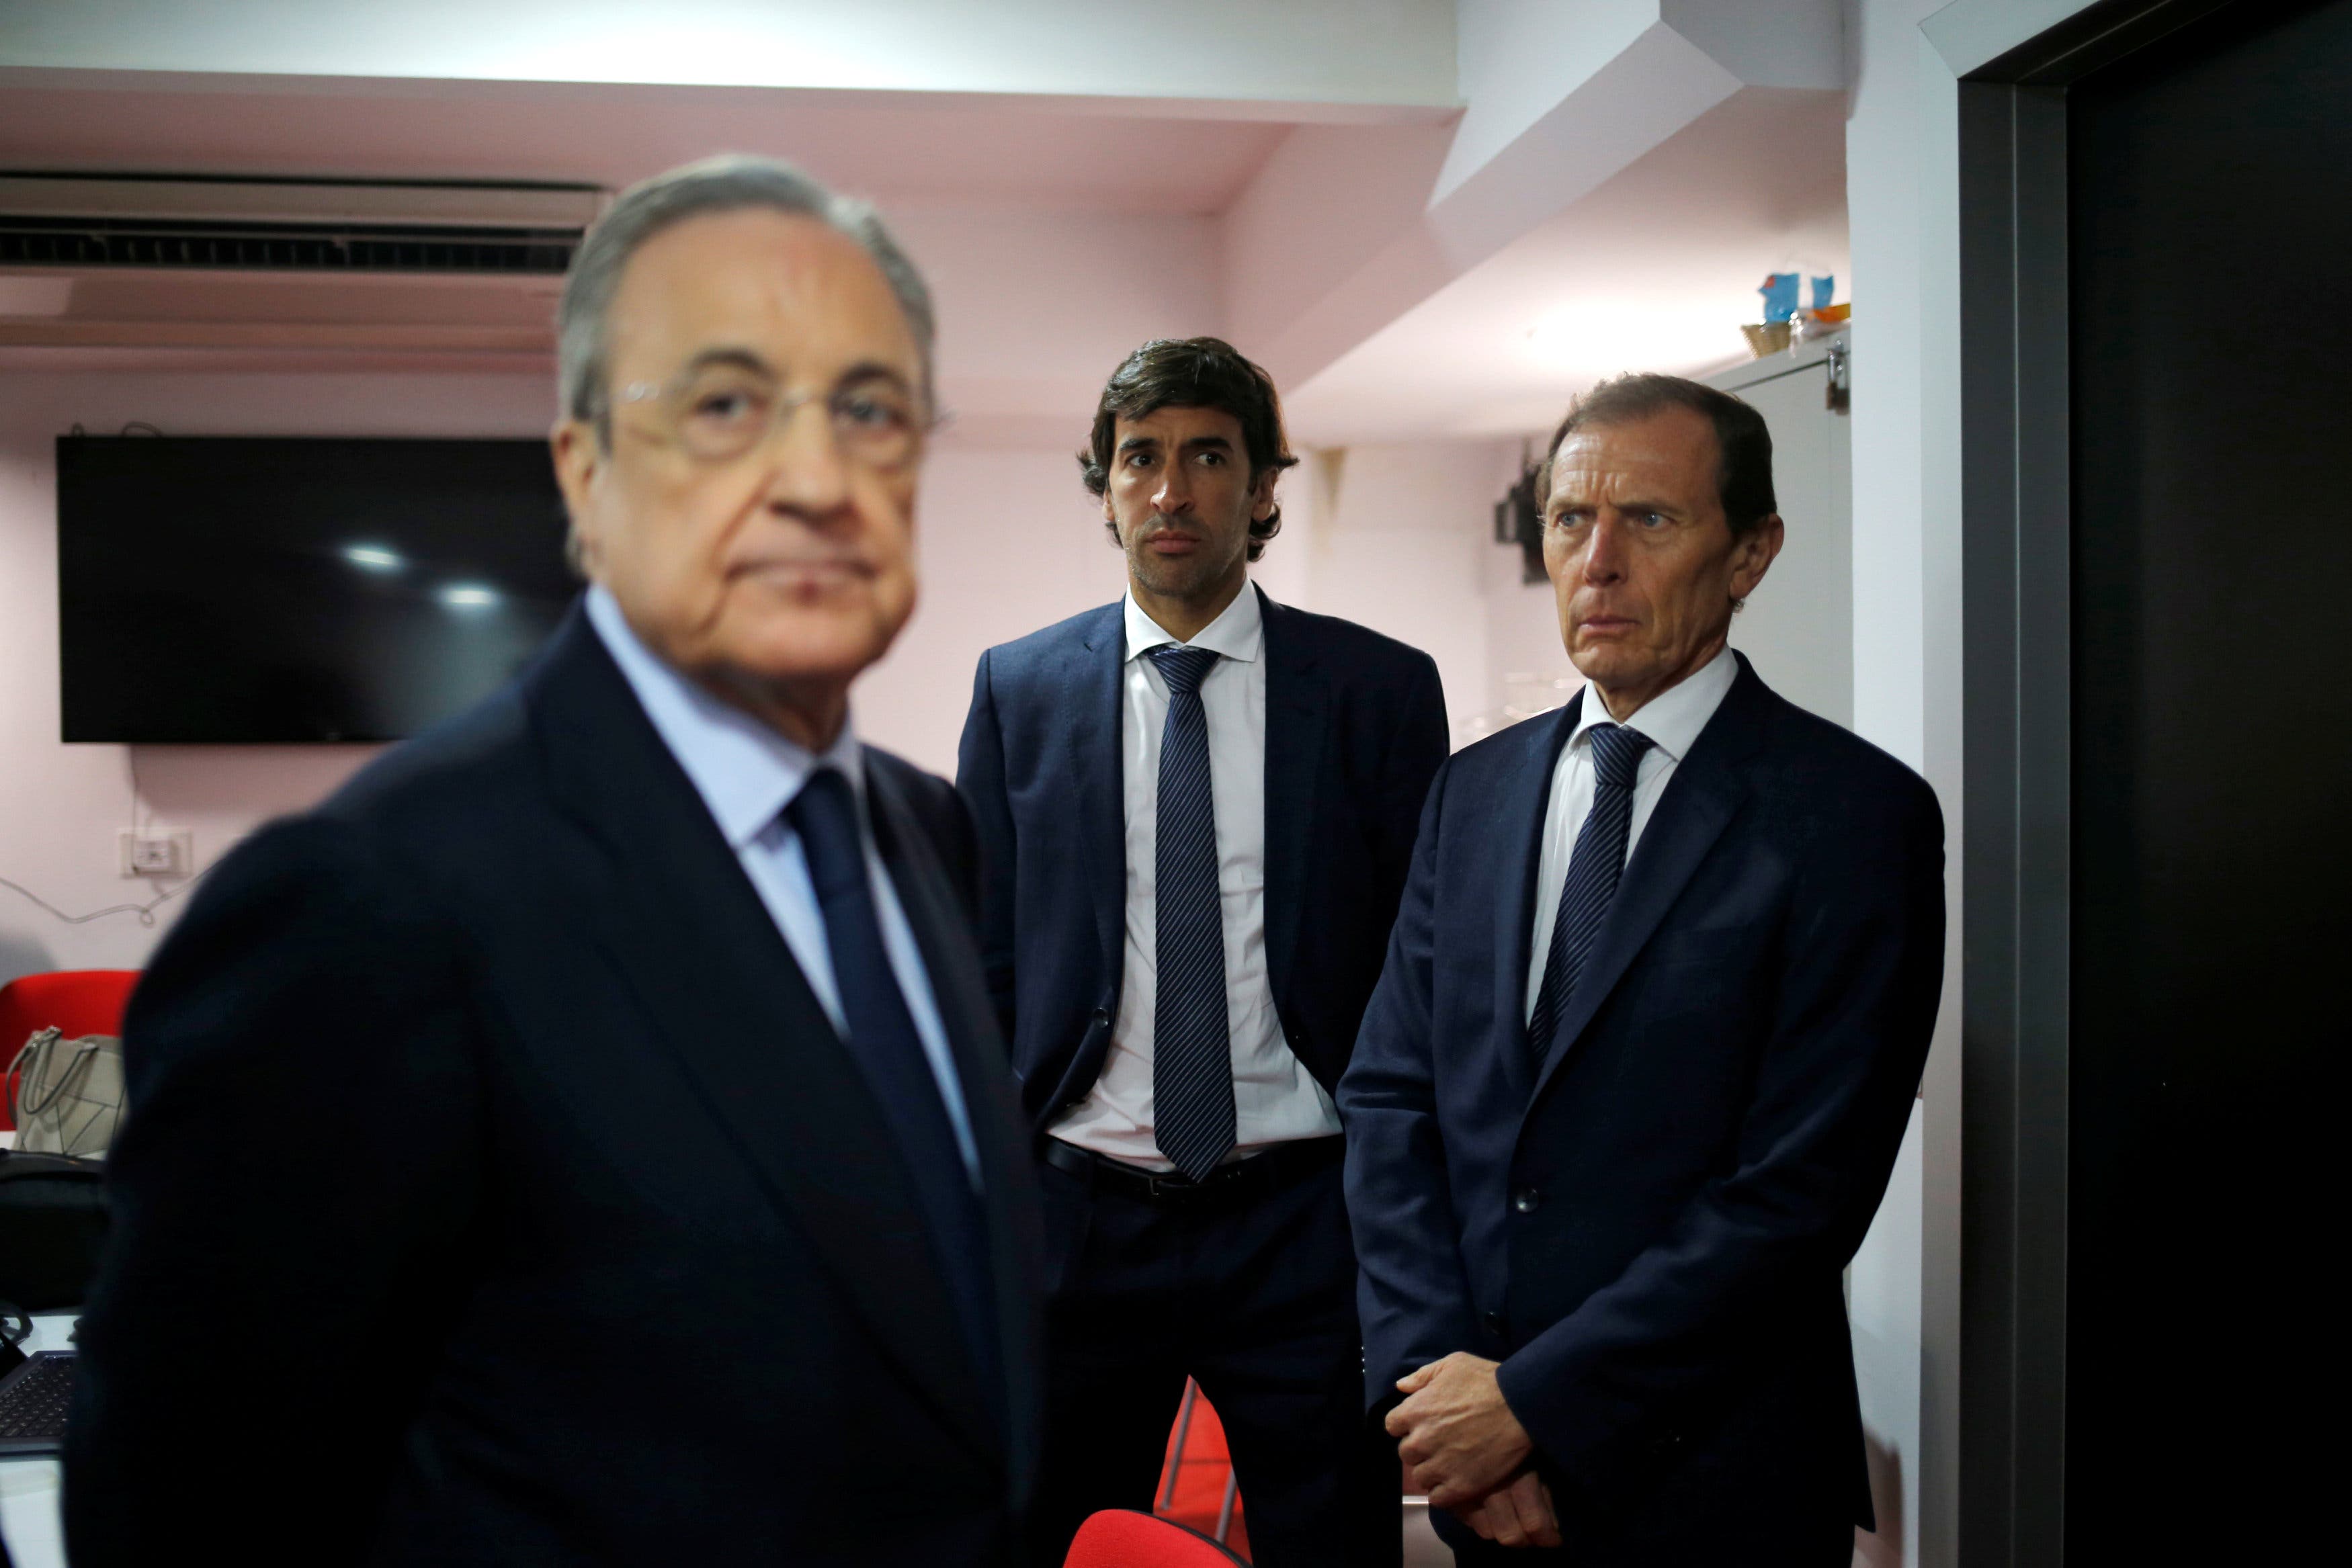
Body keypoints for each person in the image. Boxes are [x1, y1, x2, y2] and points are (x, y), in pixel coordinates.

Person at [65, 156, 1042, 1567]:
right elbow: (189, 1513)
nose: (819, 479)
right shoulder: (369, 901)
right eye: (724, 406)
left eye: (871, 411)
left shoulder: (919, 831)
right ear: (585, 473)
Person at [1341, 374, 1943, 1564]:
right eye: (1570, 520)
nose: (1599, 561)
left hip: (1717, 1476)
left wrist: (1533, 1404)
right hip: (1486, 1478)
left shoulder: (1852, 813)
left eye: (1651, 521)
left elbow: (1796, 1192)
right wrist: (1441, 1393)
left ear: (1751, 553)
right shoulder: (1474, 790)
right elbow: (1392, 1096)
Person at [957, 337, 1447, 1567]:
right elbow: (985, 954)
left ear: (1265, 485)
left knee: (1335, 1540)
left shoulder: (1379, 691)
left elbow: (1420, 967)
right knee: (1055, 1542)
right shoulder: (1018, 688)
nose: (1171, 490)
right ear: (1105, 484)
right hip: (1083, 1218)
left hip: (1305, 1219)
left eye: (1208, 457)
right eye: (1141, 459)